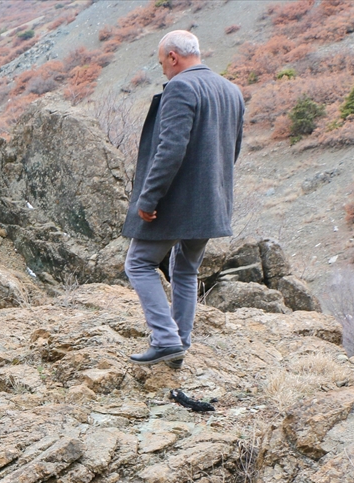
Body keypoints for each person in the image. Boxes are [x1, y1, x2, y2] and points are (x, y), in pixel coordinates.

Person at [123, 30, 245, 368]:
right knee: (186, 270)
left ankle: (165, 339)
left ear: (173, 57)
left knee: (139, 263)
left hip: (176, 202)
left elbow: (170, 149)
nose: (163, 69)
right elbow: (232, 150)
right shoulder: (231, 91)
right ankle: (181, 342)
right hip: (212, 202)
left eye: (162, 62)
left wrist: (148, 199)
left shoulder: (181, 86)